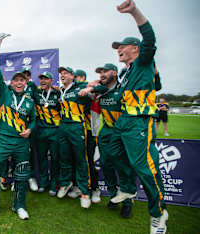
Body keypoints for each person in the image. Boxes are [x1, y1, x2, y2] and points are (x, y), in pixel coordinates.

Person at [82, 1, 168, 232]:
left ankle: (158, 213)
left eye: (123, 46)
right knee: (110, 154)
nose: (118, 49)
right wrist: (92, 88)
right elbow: (155, 83)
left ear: (136, 49)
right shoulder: (127, 71)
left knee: (145, 168)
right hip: (123, 122)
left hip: (139, 121)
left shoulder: (143, 60)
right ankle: (128, 188)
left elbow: (150, 39)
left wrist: (133, 11)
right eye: (117, 47)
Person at [0, 39, 36, 220]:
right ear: (12, 83)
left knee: (22, 173)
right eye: (16, 80)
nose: (19, 82)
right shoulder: (5, 94)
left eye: (22, 80)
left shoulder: (29, 101)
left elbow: (34, 120)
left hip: (22, 142)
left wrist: (30, 129)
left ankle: (19, 206)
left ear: (26, 83)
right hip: (4, 140)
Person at [81, 63, 137, 218]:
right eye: (100, 73)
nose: (102, 75)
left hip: (123, 133)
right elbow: (94, 88)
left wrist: (91, 87)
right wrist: (90, 87)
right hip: (106, 131)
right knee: (106, 166)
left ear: (114, 72)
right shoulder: (102, 90)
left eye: (105, 72)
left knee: (124, 168)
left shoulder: (124, 88)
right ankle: (114, 196)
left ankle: (127, 202)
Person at [56, 66, 93, 209]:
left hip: (77, 126)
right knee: (64, 157)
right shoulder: (61, 90)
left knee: (80, 159)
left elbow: (96, 86)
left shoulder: (80, 87)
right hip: (63, 126)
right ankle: (65, 183)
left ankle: (85, 192)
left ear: (73, 76)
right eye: (61, 74)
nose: (62, 75)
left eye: (65, 73)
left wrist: (89, 89)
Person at [68, 69, 101, 203]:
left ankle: (94, 189)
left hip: (89, 131)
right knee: (76, 160)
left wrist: (89, 88)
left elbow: (96, 88)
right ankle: (77, 187)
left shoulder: (89, 89)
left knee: (87, 162)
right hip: (77, 131)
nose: (74, 80)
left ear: (82, 77)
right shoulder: (75, 90)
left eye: (76, 77)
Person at [32, 71, 61, 195]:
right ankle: (43, 183)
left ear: (51, 81)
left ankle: (54, 184)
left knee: (55, 158)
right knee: (42, 158)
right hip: (41, 130)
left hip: (55, 130)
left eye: (46, 79)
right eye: (41, 79)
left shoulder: (58, 92)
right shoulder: (36, 92)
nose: (43, 81)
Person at [20, 68, 39, 192]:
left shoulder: (32, 86)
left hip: (30, 125)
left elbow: (38, 99)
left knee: (31, 152)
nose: (26, 77)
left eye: (28, 75)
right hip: (17, 125)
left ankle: (31, 177)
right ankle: (18, 178)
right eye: (24, 75)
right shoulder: (14, 87)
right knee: (16, 153)